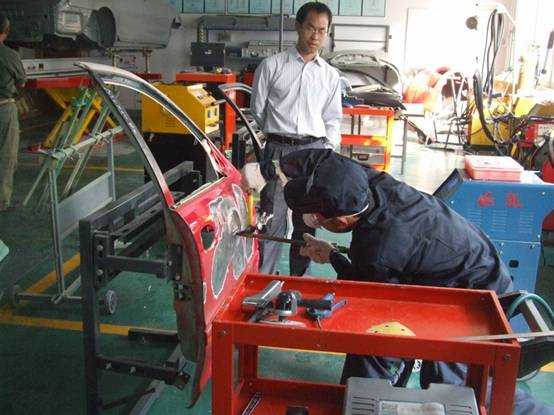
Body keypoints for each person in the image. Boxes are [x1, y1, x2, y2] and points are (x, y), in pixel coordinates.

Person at [242, 148, 554, 415]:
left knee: (454, 383)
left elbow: (367, 295)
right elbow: (320, 157)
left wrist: (332, 256)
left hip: (473, 289)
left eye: (318, 220)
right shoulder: (366, 181)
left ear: (340, 221)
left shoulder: (379, 247)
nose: (315, 223)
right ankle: (360, 397)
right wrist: (268, 170)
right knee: (384, 355)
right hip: (462, 258)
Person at [250, 1, 342, 276]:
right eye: (311, 28)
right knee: (272, 219)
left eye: (322, 30)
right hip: (278, 150)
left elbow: (333, 118)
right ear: (298, 27)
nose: (315, 36)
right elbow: (258, 109)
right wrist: (278, 134)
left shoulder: (330, 75)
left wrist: (326, 149)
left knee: (307, 222)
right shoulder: (272, 66)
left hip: (314, 152)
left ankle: (299, 279)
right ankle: (264, 277)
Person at [0, 13, 25, 212]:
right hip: (4, 109)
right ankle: (1, 201)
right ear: (5, 31)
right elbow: (21, 82)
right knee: (6, 156)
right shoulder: (9, 55)